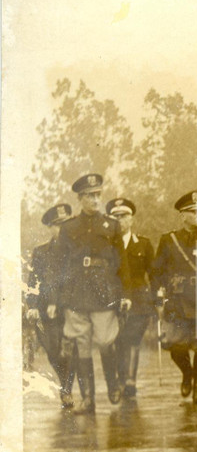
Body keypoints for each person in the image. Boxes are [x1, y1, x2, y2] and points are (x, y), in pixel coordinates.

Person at [50, 173, 125, 414]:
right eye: (90, 196)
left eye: (98, 195)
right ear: (80, 198)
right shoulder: (69, 227)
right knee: (82, 345)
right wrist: (55, 299)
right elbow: (58, 266)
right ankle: (88, 398)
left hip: (103, 291)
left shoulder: (111, 226)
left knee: (105, 339)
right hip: (77, 292)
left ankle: (113, 384)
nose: (95, 200)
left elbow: (122, 264)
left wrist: (124, 294)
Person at [151, 191, 197, 404]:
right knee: (176, 347)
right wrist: (158, 294)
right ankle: (187, 374)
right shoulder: (169, 240)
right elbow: (157, 271)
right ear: (183, 215)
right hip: (177, 301)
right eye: (193, 211)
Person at [26, 203, 76, 408]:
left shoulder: (78, 251)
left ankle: (66, 389)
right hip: (47, 310)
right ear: (50, 228)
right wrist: (32, 305)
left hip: (72, 308)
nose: (62, 229)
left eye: (65, 224)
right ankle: (64, 384)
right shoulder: (41, 252)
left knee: (70, 350)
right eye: (57, 225)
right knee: (52, 351)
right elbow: (33, 282)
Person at [106, 197, 155, 402]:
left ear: (132, 219)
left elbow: (153, 273)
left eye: (124, 216)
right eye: (115, 217)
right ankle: (119, 378)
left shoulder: (143, 243)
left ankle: (130, 381)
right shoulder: (106, 245)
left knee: (133, 338)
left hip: (139, 300)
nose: (120, 220)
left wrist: (158, 298)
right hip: (113, 299)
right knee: (117, 339)